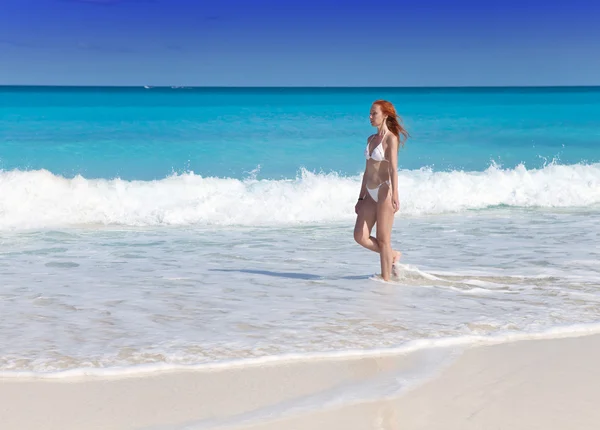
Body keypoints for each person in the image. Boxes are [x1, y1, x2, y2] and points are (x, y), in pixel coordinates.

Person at [353, 100, 409, 281]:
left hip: (384, 191)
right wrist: (360, 197)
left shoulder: (391, 139)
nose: (370, 117)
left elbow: (393, 168)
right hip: (369, 192)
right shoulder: (370, 139)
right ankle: (392, 255)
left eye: (374, 113)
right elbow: (367, 170)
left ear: (385, 115)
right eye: (369, 113)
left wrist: (396, 195)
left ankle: (386, 282)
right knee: (360, 236)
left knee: (383, 239)